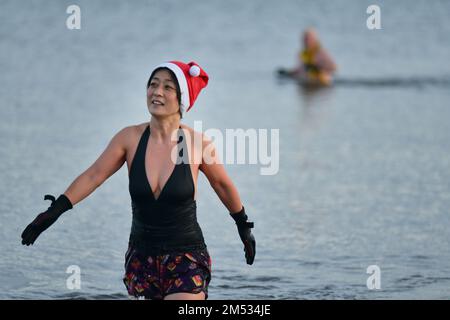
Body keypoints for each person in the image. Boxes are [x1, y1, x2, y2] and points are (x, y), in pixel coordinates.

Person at [20, 61, 256, 300]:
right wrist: (55, 210)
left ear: (181, 98)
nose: (157, 92)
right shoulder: (129, 138)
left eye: (167, 87)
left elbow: (222, 185)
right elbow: (94, 176)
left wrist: (243, 226)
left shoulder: (198, 144)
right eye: (153, 85)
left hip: (186, 256)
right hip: (141, 258)